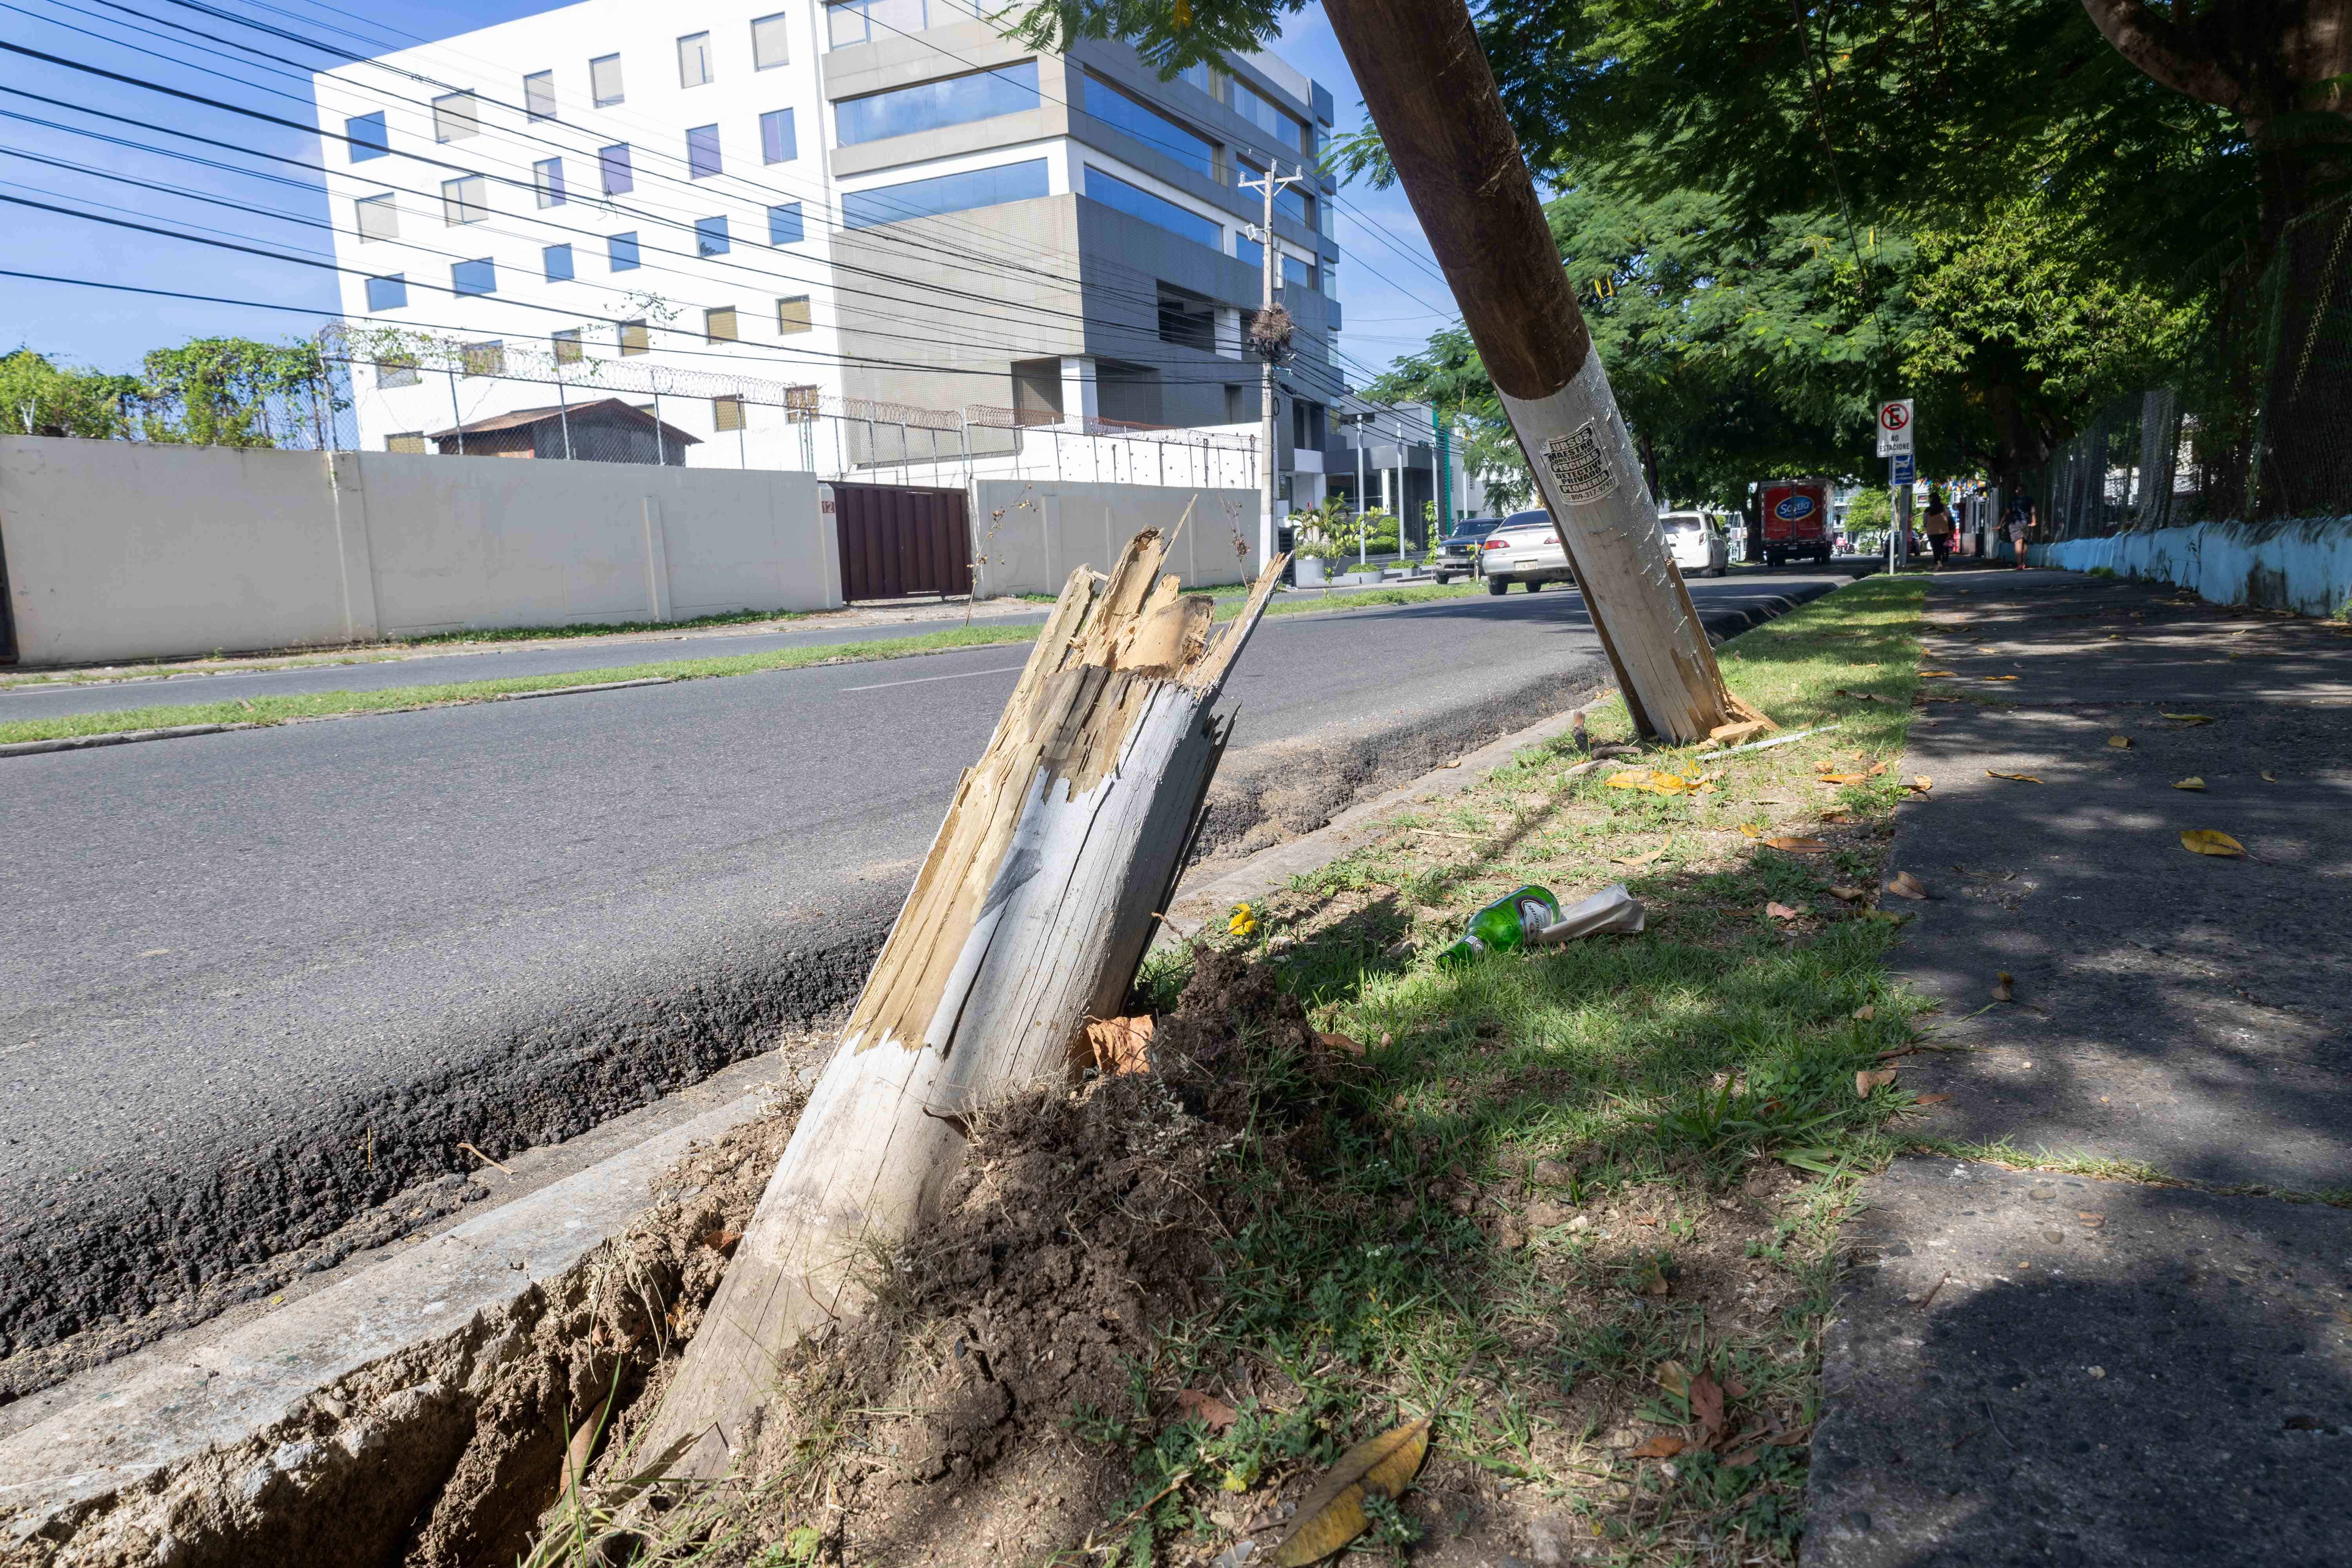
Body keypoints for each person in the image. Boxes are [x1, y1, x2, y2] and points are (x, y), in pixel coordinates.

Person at [1922, 488, 1955, 568]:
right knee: (1941, 546)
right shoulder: (1944, 508)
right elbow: (1950, 518)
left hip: (1931, 531)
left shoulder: (1927, 510)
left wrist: (1926, 526)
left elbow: (1925, 521)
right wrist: (1951, 528)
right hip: (1944, 531)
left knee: (1935, 546)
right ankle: (1940, 561)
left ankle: (1937, 562)